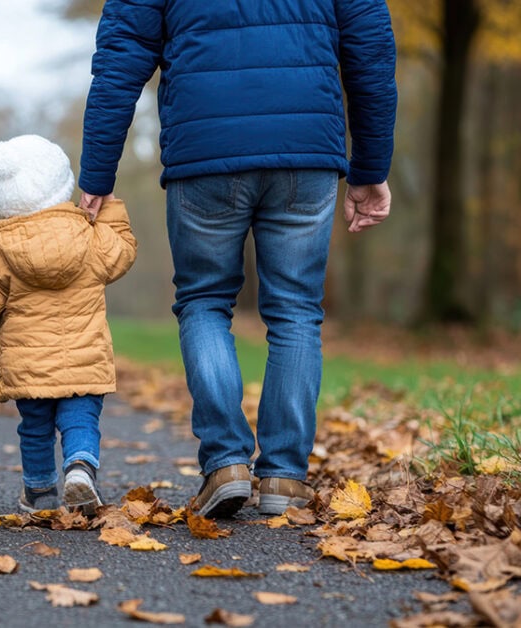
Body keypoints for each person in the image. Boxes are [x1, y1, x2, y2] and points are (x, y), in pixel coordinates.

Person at [78, 0, 397, 517]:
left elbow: (121, 57)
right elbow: (372, 54)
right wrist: (370, 166)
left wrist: (97, 172)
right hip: (305, 148)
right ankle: (284, 478)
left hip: (204, 150)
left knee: (204, 301)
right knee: (295, 309)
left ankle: (226, 463)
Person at [0, 135, 137, 514]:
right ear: (61, 184)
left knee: (34, 429)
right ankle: (80, 468)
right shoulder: (90, 235)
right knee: (80, 417)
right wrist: (110, 205)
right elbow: (124, 250)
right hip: (84, 359)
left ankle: (39, 493)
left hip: (28, 367)